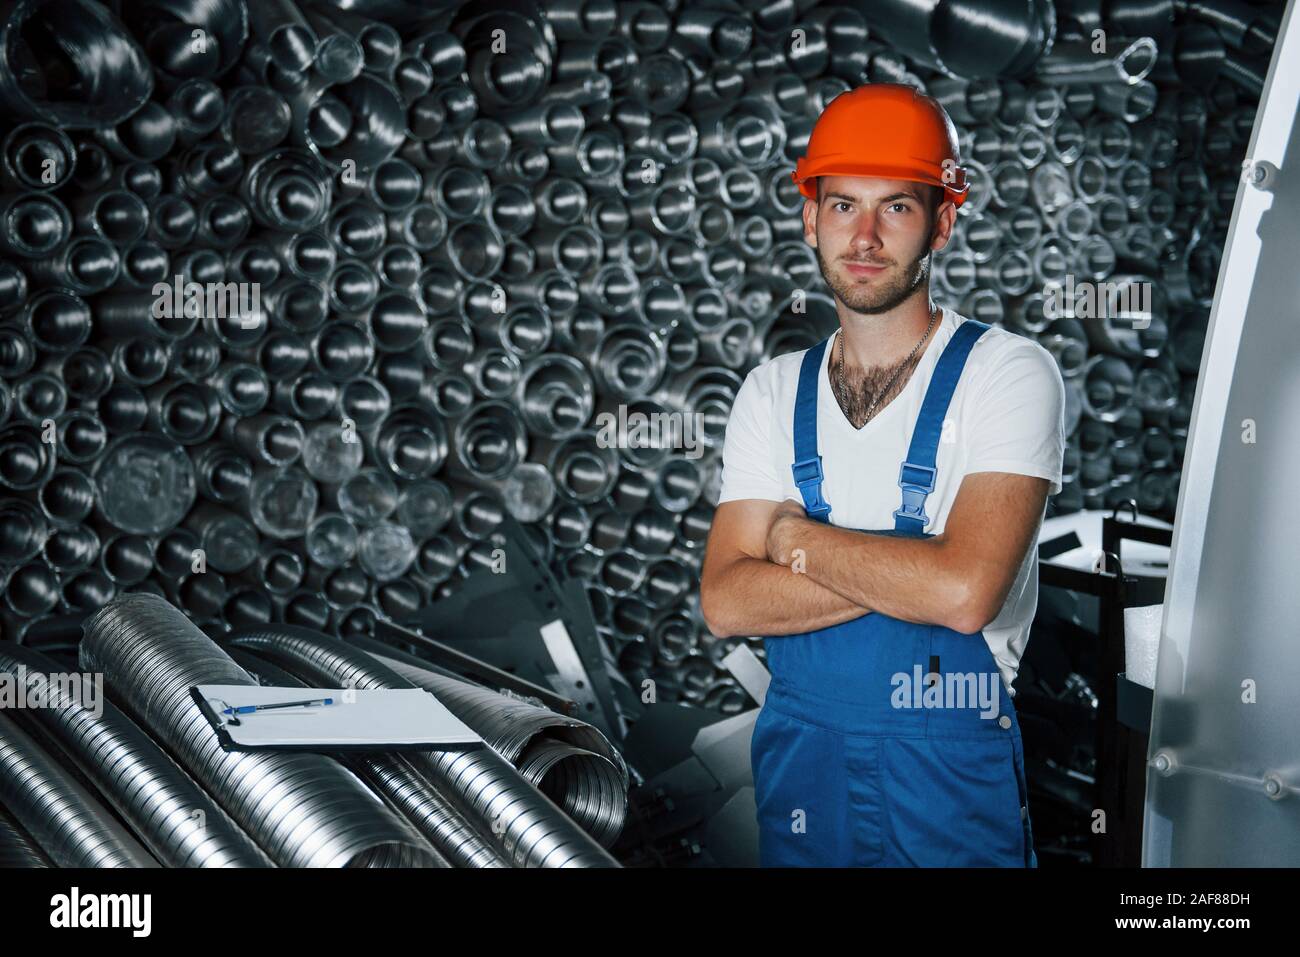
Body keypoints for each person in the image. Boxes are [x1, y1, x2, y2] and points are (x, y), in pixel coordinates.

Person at [699, 83, 1066, 867]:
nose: (864, 236)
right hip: (803, 764)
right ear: (810, 217)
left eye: (895, 207)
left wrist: (793, 538)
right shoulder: (770, 391)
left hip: (948, 769)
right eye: (842, 206)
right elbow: (728, 601)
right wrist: (919, 565)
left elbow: (965, 594)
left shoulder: (1007, 375)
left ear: (943, 219)